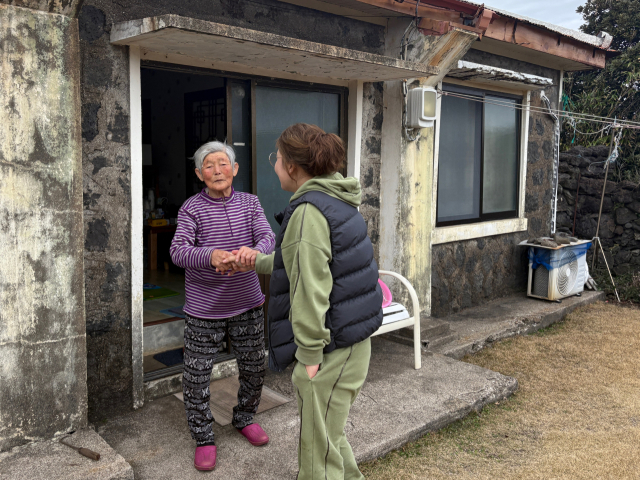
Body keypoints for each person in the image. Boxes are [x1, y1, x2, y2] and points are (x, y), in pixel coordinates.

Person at [229, 123, 383, 480]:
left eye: (277, 158)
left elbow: (311, 290)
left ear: (294, 167)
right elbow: (302, 261)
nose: (275, 165)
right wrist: (254, 259)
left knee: (317, 453)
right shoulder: (335, 200)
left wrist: (310, 358)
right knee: (329, 436)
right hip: (349, 342)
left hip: (329, 350)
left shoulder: (308, 213)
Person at [169, 141, 275, 472]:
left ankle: (245, 417)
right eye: (209, 166)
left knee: (255, 365)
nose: (217, 170)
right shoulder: (191, 209)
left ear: (235, 169)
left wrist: (253, 252)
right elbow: (178, 251)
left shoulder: (250, 203)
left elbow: (268, 238)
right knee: (196, 375)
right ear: (200, 174)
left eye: (223, 163)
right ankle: (203, 438)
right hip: (204, 310)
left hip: (247, 303)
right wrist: (210, 255)